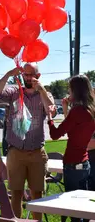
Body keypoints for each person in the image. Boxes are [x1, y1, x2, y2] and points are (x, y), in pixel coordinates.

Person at [0, 63, 56, 220]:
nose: (27, 77)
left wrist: (41, 89)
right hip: (16, 151)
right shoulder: (15, 92)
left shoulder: (44, 94)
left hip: (36, 152)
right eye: (25, 74)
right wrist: (8, 74)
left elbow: (51, 111)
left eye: (31, 74)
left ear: (38, 76)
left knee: (37, 193)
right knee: (16, 192)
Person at [48, 75, 95, 222]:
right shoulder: (91, 110)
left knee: (73, 208)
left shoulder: (77, 112)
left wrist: (50, 117)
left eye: (70, 88)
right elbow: (73, 130)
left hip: (72, 164)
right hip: (85, 163)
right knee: (83, 206)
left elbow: (55, 134)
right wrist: (66, 108)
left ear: (75, 90)